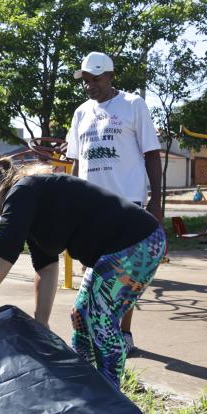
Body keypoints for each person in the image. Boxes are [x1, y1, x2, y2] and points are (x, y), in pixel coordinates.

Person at [0, 161, 166, 388]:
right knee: (80, 314)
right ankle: (80, 379)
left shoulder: (22, 192)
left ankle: (109, 395)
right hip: (118, 250)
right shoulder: (31, 200)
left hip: (139, 243)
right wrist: (41, 322)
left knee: (100, 320)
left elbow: (4, 253)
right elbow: (46, 267)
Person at [66, 51, 163, 354]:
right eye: (85, 80)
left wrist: (157, 199)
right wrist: (69, 199)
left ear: (110, 76)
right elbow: (75, 161)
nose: (89, 85)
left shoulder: (134, 105)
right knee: (91, 268)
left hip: (127, 202)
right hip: (89, 204)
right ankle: (93, 331)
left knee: (125, 274)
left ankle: (124, 333)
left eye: (95, 79)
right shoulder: (81, 112)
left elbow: (151, 153)